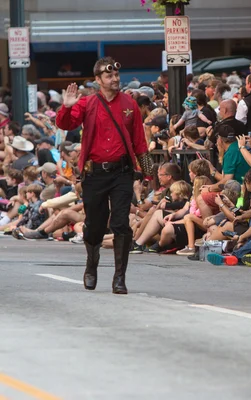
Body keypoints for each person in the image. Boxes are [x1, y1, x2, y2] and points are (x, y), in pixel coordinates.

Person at [56, 57, 149, 295]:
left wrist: (147, 173)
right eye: (109, 76)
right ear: (98, 80)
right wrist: (66, 106)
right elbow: (66, 123)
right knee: (95, 226)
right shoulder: (87, 103)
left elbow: (140, 141)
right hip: (95, 172)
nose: (115, 79)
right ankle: (91, 264)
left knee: (120, 224)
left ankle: (120, 278)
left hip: (122, 172)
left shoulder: (130, 103)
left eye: (116, 75)